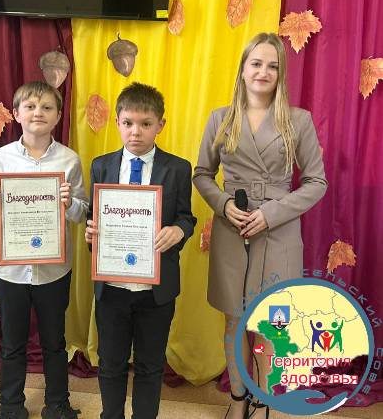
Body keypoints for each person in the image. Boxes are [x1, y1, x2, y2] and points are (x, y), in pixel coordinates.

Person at [193, 32, 327, 419]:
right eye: (256, 63)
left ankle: (265, 400)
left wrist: (272, 213)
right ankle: (238, 399)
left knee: (272, 325)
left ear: (281, 73)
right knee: (235, 321)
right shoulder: (220, 118)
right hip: (231, 228)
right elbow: (202, 174)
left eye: (272, 65)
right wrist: (222, 205)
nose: (263, 72)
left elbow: (317, 182)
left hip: (278, 231)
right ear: (243, 68)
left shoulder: (298, 120)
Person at [85, 82, 197, 419]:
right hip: (112, 287)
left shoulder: (178, 168)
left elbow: (186, 217)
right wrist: (91, 234)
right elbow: (94, 217)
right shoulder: (101, 166)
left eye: (146, 124)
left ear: (160, 125)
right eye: (129, 123)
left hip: (156, 290)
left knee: (150, 365)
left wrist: (179, 230)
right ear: (117, 123)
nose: (136, 131)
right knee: (111, 363)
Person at [0, 81, 87, 419]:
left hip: (54, 270)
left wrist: (70, 204)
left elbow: (82, 213)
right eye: (30, 106)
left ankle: (57, 404)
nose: (38, 112)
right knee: (12, 343)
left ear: (58, 116)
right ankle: (11, 406)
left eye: (47, 107)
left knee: (55, 341)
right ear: (16, 113)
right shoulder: (1, 158)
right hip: (11, 270)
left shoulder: (70, 159)